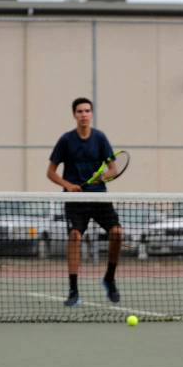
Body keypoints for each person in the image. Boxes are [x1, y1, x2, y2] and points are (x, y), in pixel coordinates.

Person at [47, 97, 123, 307]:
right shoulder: (65, 140)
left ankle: (109, 278)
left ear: (91, 114)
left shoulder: (100, 138)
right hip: (75, 200)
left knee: (117, 233)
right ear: (74, 114)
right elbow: (51, 173)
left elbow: (113, 169)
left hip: (99, 197)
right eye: (80, 111)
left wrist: (103, 177)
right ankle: (73, 290)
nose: (84, 114)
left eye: (87, 111)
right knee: (74, 237)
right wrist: (68, 185)